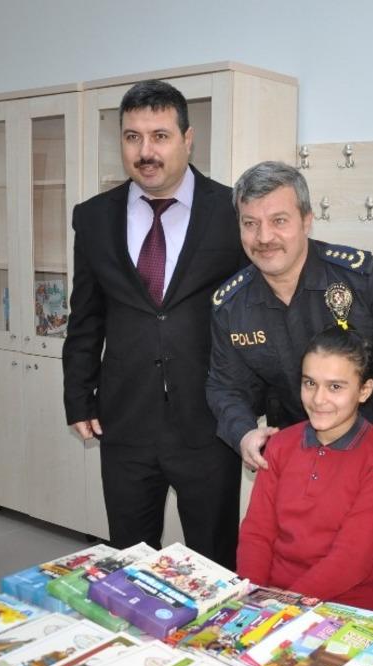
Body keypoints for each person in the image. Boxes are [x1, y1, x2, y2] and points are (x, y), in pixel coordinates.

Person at [62, 80, 246, 565]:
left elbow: (256, 311)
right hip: (123, 419)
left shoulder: (232, 213)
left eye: (160, 136)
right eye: (132, 137)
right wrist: (78, 396)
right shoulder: (94, 217)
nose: (146, 151)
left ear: (188, 139)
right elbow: (86, 315)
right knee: (130, 557)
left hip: (208, 422)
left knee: (213, 560)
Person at [207, 161, 373, 487]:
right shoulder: (231, 307)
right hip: (300, 465)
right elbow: (226, 388)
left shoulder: (362, 278)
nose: (264, 237)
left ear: (307, 221)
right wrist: (244, 433)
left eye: (279, 221)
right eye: (250, 223)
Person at [237, 326, 373, 610]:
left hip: (345, 608)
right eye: (309, 383)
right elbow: (257, 534)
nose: (318, 399)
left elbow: (350, 562)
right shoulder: (281, 445)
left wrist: (282, 607)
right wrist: (253, 597)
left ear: (364, 390)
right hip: (267, 598)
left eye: (335, 387)